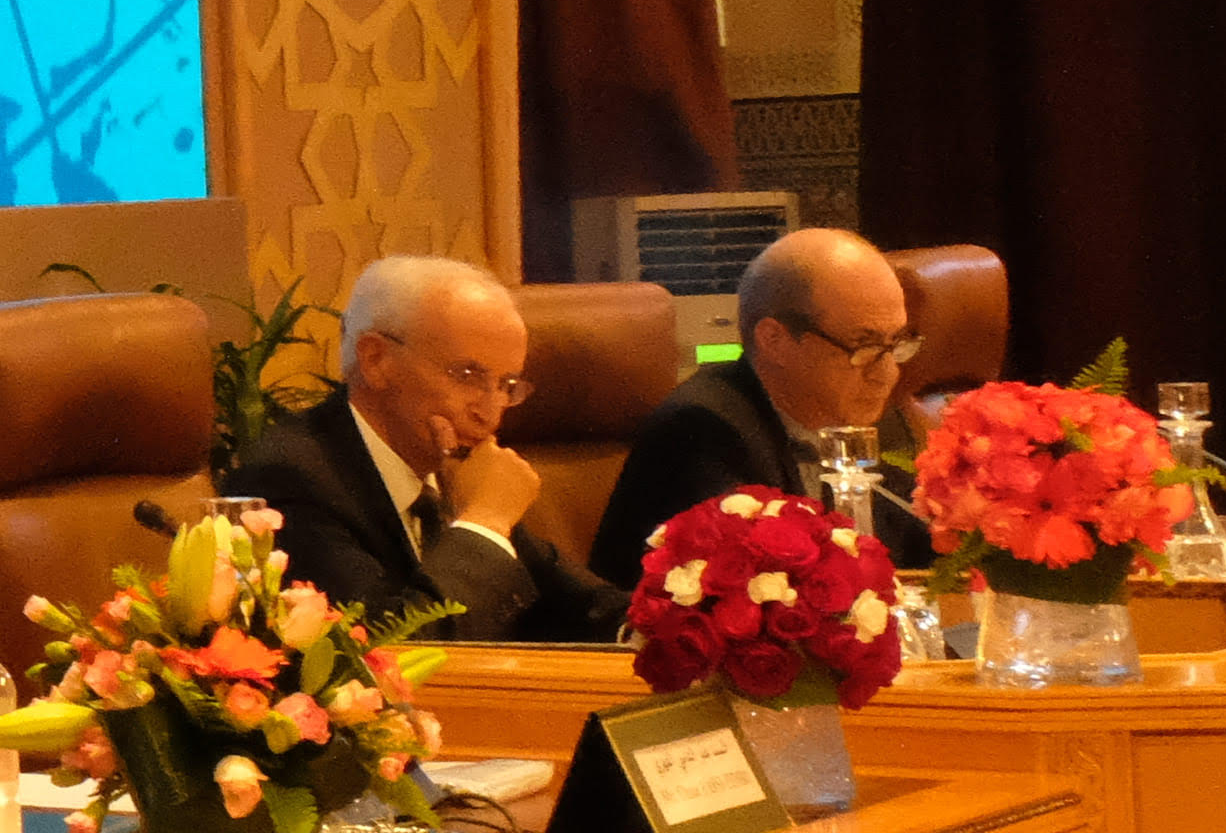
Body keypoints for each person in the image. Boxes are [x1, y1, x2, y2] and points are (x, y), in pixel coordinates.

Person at [229, 253, 627, 640]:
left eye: (507, 386)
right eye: (468, 376)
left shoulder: (448, 463)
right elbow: (391, 651)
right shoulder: (290, 479)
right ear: (376, 360)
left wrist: (651, 634)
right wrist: (485, 522)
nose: (490, 414)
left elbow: (585, 608)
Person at [589, 224, 945, 583]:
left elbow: (927, 566)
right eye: (863, 346)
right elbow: (763, 594)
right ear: (774, 340)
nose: (887, 375)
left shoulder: (880, 420)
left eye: (896, 343)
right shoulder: (704, 432)